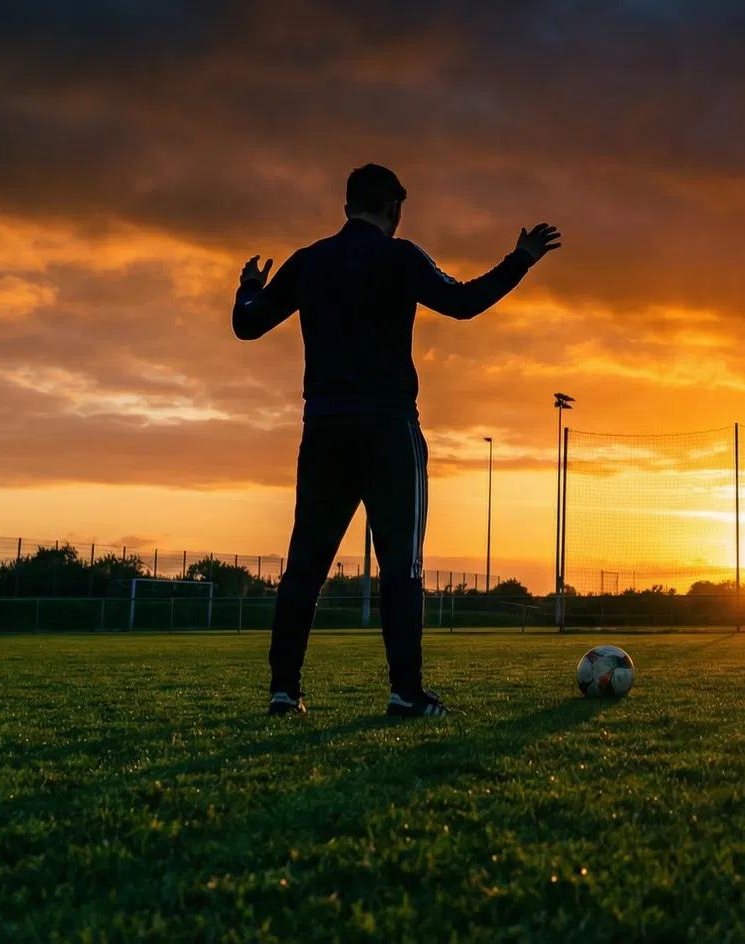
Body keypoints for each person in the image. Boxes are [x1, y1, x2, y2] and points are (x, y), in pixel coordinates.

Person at [233, 163, 561, 716]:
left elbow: (247, 324)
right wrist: (520, 261)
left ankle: (283, 691)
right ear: (394, 210)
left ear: (345, 207)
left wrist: (248, 286)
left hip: (326, 428)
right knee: (402, 566)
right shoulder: (400, 256)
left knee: (305, 567)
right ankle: (405, 692)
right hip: (388, 430)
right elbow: (462, 302)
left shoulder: (308, 262)